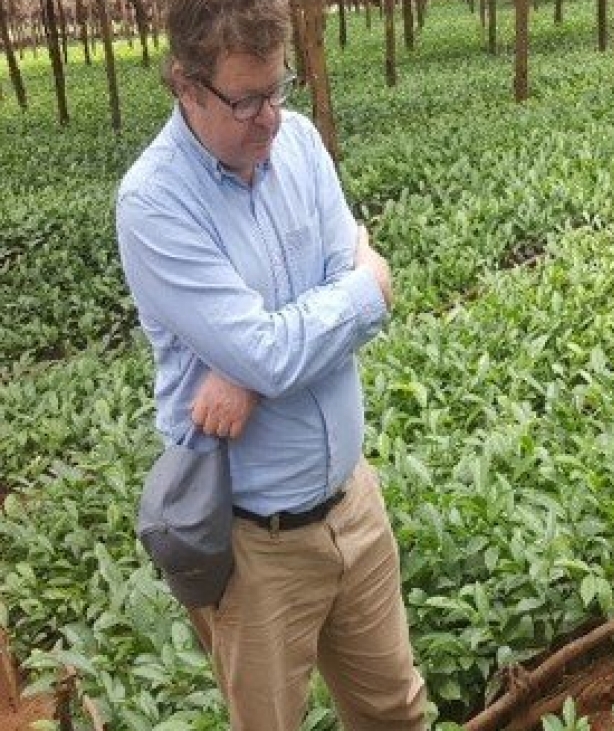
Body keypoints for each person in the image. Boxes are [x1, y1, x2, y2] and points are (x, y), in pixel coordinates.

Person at [115, 1, 427, 727]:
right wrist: (361, 290)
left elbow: (278, 335)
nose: (270, 118)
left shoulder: (304, 144)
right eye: (246, 99)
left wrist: (254, 365)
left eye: (278, 88)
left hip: (354, 504)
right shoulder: (154, 202)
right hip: (256, 547)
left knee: (398, 712)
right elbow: (292, 332)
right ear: (186, 86)